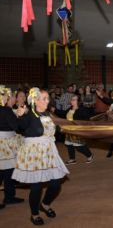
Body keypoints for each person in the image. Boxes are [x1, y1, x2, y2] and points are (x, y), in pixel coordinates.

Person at [12, 88, 69, 225]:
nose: (47, 101)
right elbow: (21, 126)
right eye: (44, 98)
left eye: (47, 98)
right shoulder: (29, 114)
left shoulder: (48, 113)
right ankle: (35, 214)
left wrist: (64, 128)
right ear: (35, 100)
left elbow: (55, 127)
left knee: (56, 184)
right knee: (36, 187)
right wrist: (20, 114)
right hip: (34, 154)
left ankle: (45, 204)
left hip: (49, 152)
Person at [0, 86, 24, 210]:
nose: (15, 98)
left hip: (3, 141)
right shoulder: (6, 110)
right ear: (7, 98)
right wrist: (21, 118)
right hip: (5, 143)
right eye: (13, 96)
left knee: (4, 171)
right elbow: (17, 127)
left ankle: (9, 196)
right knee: (7, 171)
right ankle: (9, 197)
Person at [53, 95, 94, 165]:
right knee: (69, 145)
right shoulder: (70, 108)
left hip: (77, 131)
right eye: (72, 99)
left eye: (74, 100)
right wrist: (55, 110)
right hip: (69, 130)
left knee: (79, 146)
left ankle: (90, 155)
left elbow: (86, 120)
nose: (72, 101)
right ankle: (72, 159)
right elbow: (63, 114)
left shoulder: (82, 109)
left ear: (78, 101)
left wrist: (82, 128)